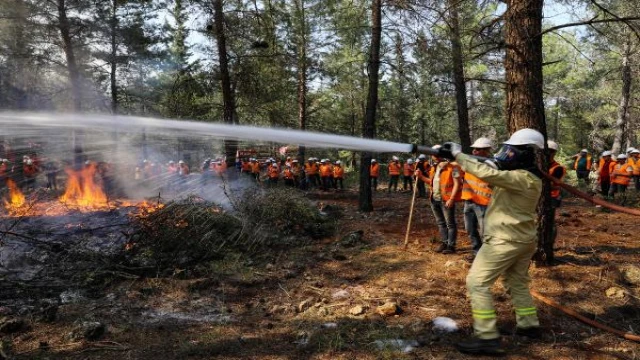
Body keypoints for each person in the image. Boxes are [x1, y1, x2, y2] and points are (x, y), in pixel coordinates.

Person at [438, 128, 545, 356]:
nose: (506, 154)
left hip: (504, 240)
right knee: (516, 282)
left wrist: (458, 154)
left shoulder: (522, 178)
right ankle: (529, 325)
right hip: (521, 240)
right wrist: (455, 157)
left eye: (511, 151)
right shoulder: (525, 177)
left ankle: (487, 336)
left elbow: (489, 175)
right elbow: (492, 169)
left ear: (523, 154)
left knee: (477, 283)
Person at [415, 145, 462, 254]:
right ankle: (444, 242)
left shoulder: (453, 167)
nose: (435, 156)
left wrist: (452, 198)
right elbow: (431, 182)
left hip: (446, 200)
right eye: (433, 154)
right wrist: (421, 176)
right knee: (441, 223)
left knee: (450, 223)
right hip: (434, 199)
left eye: (437, 154)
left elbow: (457, 183)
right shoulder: (433, 168)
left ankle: (451, 246)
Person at [461, 137, 493, 260]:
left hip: (484, 203)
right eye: (474, 149)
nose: (474, 151)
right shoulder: (470, 162)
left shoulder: (492, 165)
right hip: (469, 200)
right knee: (470, 229)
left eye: (478, 149)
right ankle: (476, 252)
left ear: (486, 150)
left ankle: (486, 257)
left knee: (485, 232)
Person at [547, 140, 566, 240]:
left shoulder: (558, 168)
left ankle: (549, 242)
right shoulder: (540, 164)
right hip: (539, 196)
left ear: (554, 153)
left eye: (551, 151)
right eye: (547, 150)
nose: (548, 153)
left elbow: (552, 185)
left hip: (552, 197)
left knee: (549, 221)